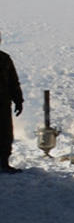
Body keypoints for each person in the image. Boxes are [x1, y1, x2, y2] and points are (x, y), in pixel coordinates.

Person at [0, 32, 24, 174]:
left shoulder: (4, 59)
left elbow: (13, 82)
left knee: (5, 134)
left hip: (3, 104)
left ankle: (4, 162)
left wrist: (18, 100)